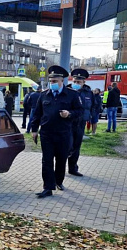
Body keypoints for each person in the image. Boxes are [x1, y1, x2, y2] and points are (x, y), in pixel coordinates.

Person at [31, 65, 83, 198]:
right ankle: (47, 187)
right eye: (51, 81)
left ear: (62, 81)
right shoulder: (44, 95)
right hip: (47, 134)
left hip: (64, 134)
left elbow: (79, 111)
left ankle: (58, 181)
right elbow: (37, 114)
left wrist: (69, 113)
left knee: (61, 160)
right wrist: (34, 130)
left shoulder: (72, 95)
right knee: (46, 161)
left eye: (55, 81)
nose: (52, 83)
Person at [67, 69, 95, 177]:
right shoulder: (67, 90)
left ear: (84, 82)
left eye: (79, 82)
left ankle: (73, 168)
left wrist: (91, 118)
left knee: (76, 147)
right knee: (67, 146)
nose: (76, 84)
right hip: (68, 122)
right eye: (75, 81)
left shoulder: (88, 93)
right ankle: (60, 169)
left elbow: (92, 106)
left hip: (81, 122)